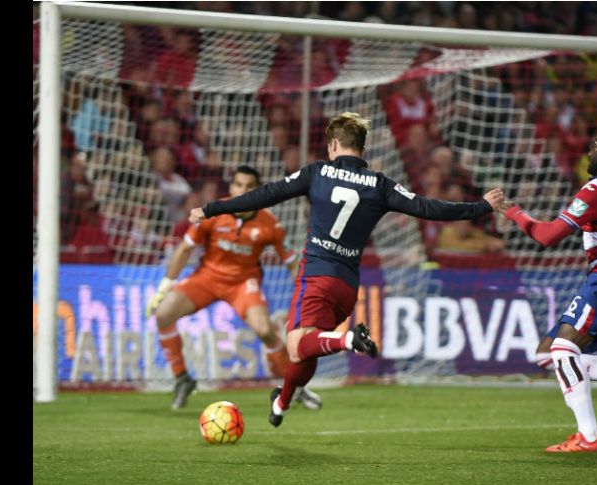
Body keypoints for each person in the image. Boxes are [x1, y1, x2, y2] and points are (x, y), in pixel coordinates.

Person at [190, 112, 505, 427]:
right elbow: (429, 208)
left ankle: (347, 341)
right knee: (306, 352)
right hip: (346, 286)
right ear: (362, 150)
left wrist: (211, 209)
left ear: (334, 145)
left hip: (316, 275)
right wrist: (482, 206)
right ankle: (282, 403)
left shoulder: (317, 172)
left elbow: (264, 195)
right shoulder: (381, 185)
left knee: (296, 345)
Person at [500, 127, 597, 452]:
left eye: (595, 146)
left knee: (563, 350)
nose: (590, 152)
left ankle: (589, 437)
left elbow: (547, 236)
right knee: (548, 354)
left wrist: (512, 212)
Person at [146, 165, 322, 411]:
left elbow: (292, 262)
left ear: (258, 190)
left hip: (243, 284)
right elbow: (185, 249)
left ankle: (296, 387)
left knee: (265, 330)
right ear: (231, 187)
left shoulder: (270, 224)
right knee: (163, 314)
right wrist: (164, 287)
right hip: (207, 278)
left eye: (249, 186)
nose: (242, 190)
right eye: (238, 185)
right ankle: (182, 379)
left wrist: (307, 296)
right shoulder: (214, 213)